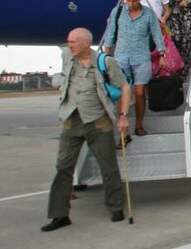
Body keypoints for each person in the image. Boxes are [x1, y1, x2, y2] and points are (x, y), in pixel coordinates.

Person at [42, 28, 131, 231]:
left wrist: (123, 116)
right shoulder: (67, 57)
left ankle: (116, 207)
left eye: (73, 42)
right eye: (68, 42)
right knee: (63, 167)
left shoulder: (104, 62)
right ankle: (59, 215)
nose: (69, 45)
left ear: (85, 43)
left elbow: (125, 86)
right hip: (71, 120)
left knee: (107, 166)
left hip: (98, 121)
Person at [102, 0, 165, 140]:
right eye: (127, 1)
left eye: (133, 1)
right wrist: (105, 57)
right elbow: (110, 34)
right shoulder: (117, 12)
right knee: (123, 94)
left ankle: (138, 124)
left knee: (139, 93)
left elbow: (157, 34)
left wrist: (162, 54)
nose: (130, 4)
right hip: (121, 59)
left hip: (141, 59)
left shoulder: (148, 14)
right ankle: (124, 130)